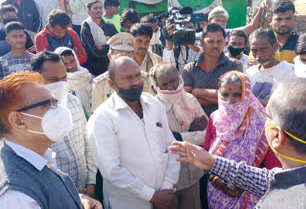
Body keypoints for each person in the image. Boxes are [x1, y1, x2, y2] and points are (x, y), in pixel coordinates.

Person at [169, 78, 306, 209]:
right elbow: (271, 179)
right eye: (225, 95)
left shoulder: (293, 202)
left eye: (267, 115)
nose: (230, 100)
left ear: (277, 136)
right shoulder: (297, 178)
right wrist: (213, 164)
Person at [87, 56, 180, 209]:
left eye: (138, 75)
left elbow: (171, 147)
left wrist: (166, 188)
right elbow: (112, 171)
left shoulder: (154, 104)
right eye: (128, 78)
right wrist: (152, 196)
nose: (136, 82)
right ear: (112, 84)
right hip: (129, 204)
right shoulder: (102, 118)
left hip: (164, 198)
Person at [0, 71, 102, 209]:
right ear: (18, 121)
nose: (60, 110)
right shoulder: (16, 196)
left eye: (56, 102)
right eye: (48, 104)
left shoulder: (38, 157)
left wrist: (78, 200)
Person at [203, 71, 280, 209]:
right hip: (216, 191)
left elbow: (273, 170)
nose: (230, 100)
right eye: (225, 94)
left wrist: (243, 184)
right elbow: (204, 156)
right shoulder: (215, 118)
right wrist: (215, 179)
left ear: (247, 94)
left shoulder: (263, 124)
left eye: (237, 95)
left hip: (250, 193)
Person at [31, 50, 97, 197]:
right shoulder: (28, 117)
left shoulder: (73, 101)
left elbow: (87, 142)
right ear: (36, 79)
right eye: (54, 79)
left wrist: (91, 182)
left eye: (64, 78)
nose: (61, 84)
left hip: (85, 190)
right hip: (54, 196)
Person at [150, 63, 207, 209]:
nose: (170, 87)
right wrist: (191, 131)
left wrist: (180, 137)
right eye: (164, 84)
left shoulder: (190, 100)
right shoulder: (153, 109)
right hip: (166, 180)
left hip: (193, 175)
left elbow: (207, 134)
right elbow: (163, 143)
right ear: (155, 87)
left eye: (172, 81)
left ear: (179, 78)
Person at [182, 23, 242, 117]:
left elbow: (233, 99)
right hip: (197, 124)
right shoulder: (190, 68)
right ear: (202, 42)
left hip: (226, 123)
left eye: (219, 42)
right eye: (210, 41)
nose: (215, 45)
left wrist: (197, 92)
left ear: (225, 43)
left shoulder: (234, 66)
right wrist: (218, 97)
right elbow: (185, 100)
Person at [90, 32, 136, 113]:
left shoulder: (143, 80)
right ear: (110, 56)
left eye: (128, 54)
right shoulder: (100, 84)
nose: (124, 58)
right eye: (119, 54)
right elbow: (97, 115)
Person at [247, 28, 294, 106]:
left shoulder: (290, 71)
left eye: (263, 49)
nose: (259, 55)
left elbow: (291, 105)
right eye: (254, 50)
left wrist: (257, 102)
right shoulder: (249, 73)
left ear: (275, 46)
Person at [81, 0, 118, 76]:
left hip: (110, 64)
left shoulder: (109, 26)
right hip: (94, 67)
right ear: (89, 12)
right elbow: (93, 51)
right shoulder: (86, 27)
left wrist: (102, 47)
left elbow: (118, 43)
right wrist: (109, 48)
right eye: (95, 8)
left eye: (100, 8)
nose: (99, 10)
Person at [54, 47, 93, 119]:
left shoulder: (87, 76)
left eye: (72, 61)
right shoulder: (58, 84)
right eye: (65, 63)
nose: (70, 66)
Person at [130, 23, 163, 94]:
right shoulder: (124, 61)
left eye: (147, 42)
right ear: (132, 40)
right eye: (139, 41)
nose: (143, 45)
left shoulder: (157, 60)